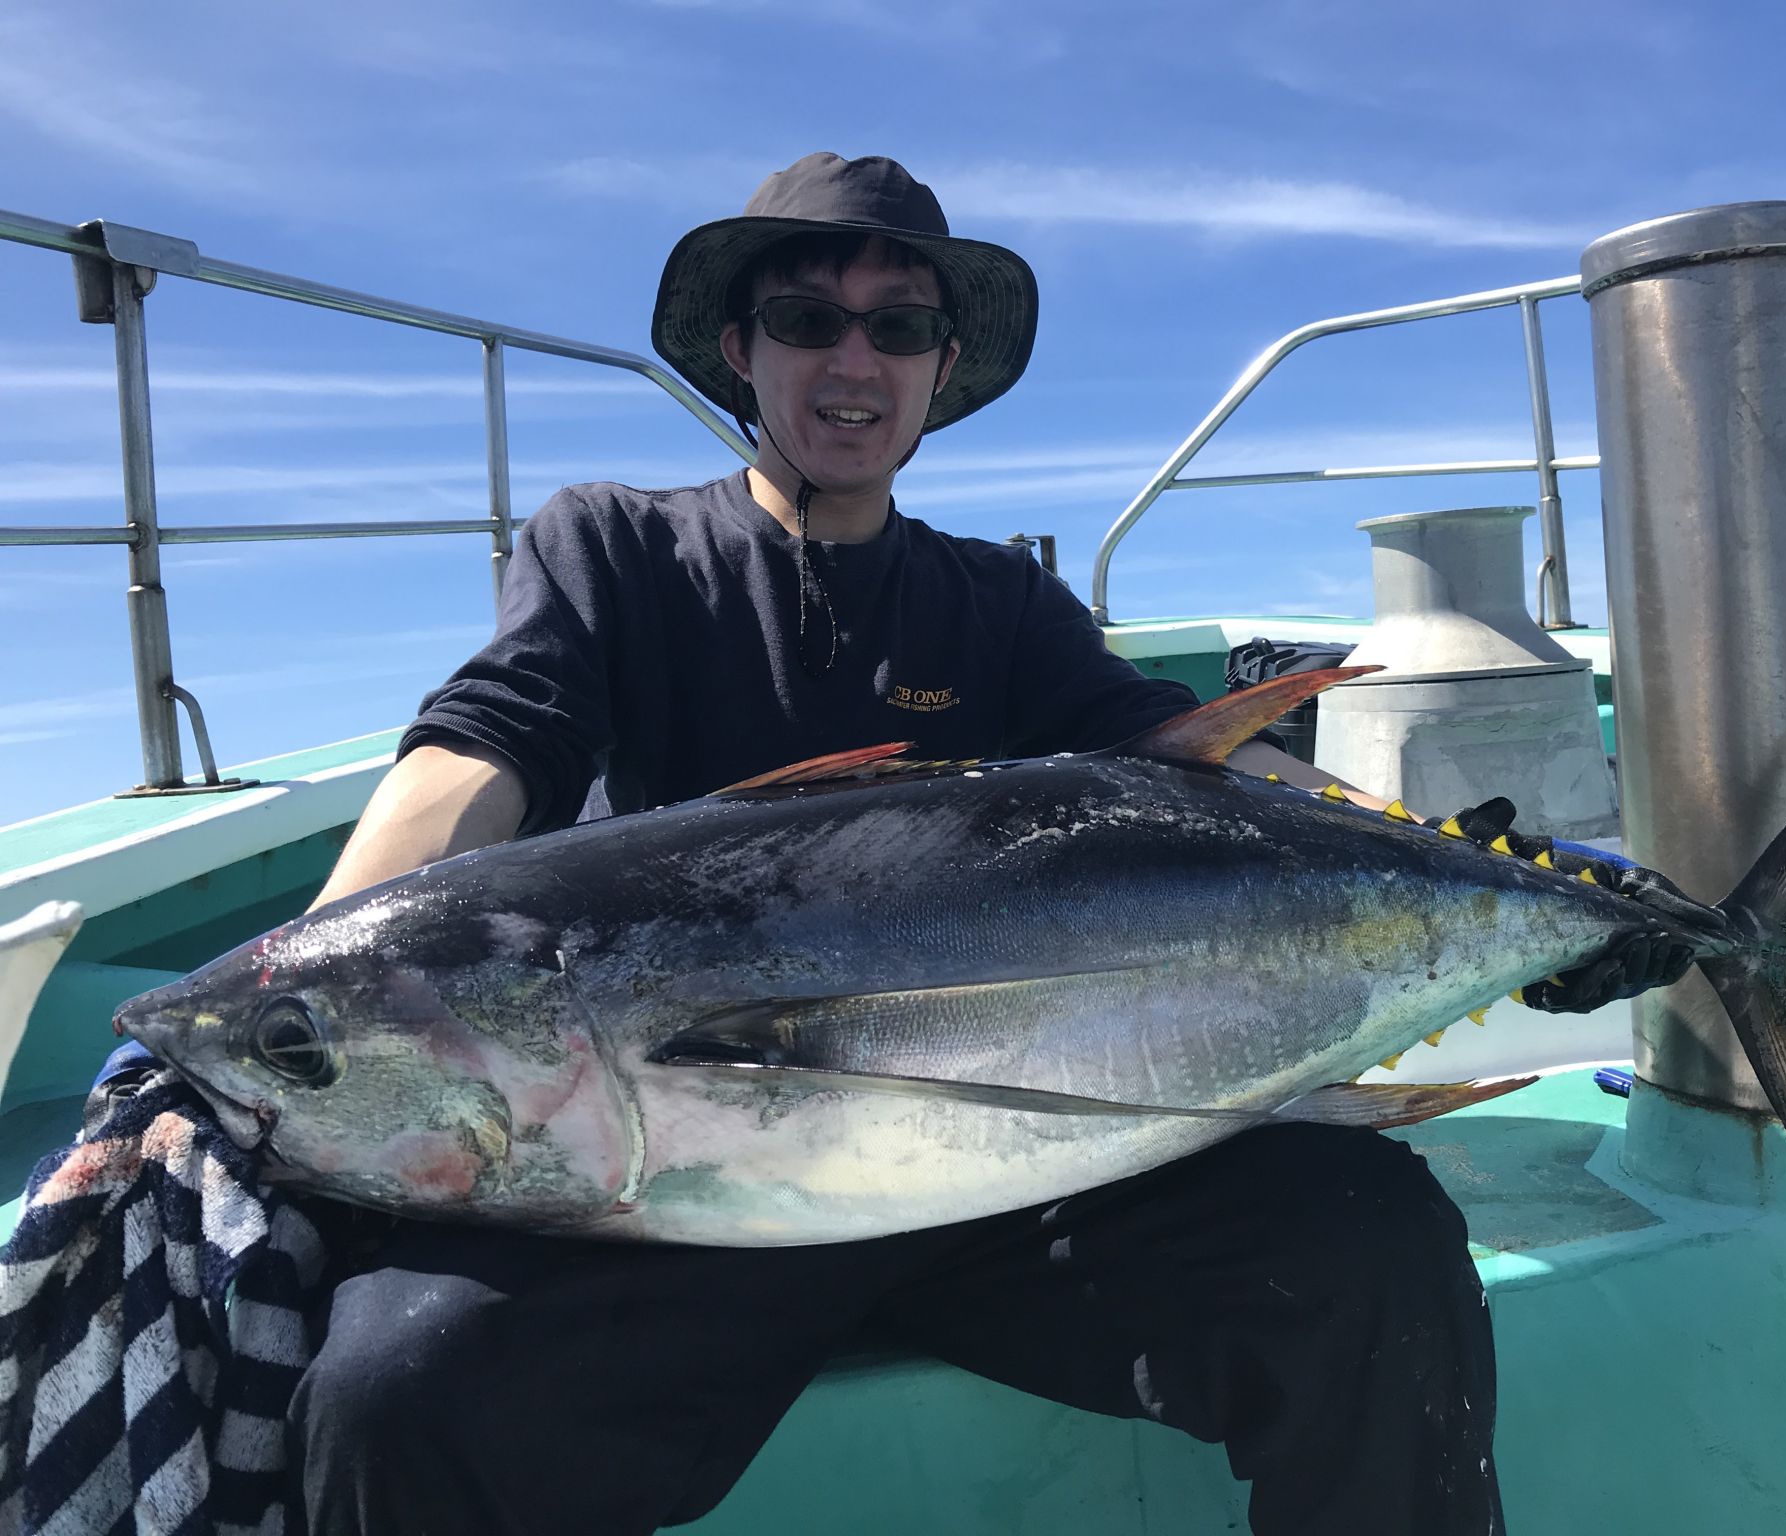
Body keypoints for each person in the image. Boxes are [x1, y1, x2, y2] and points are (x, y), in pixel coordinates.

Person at [286, 153, 1674, 1535]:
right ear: (739, 350)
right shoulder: (619, 553)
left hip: (1012, 1163)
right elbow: (486, 743)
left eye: (898, 326)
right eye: (808, 319)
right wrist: (302, 979)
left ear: (939, 366)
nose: (854, 358)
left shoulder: (1000, 602)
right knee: (396, 1392)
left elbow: (1192, 767)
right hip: (673, 1187)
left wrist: (1508, 882)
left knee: (1374, 1243)